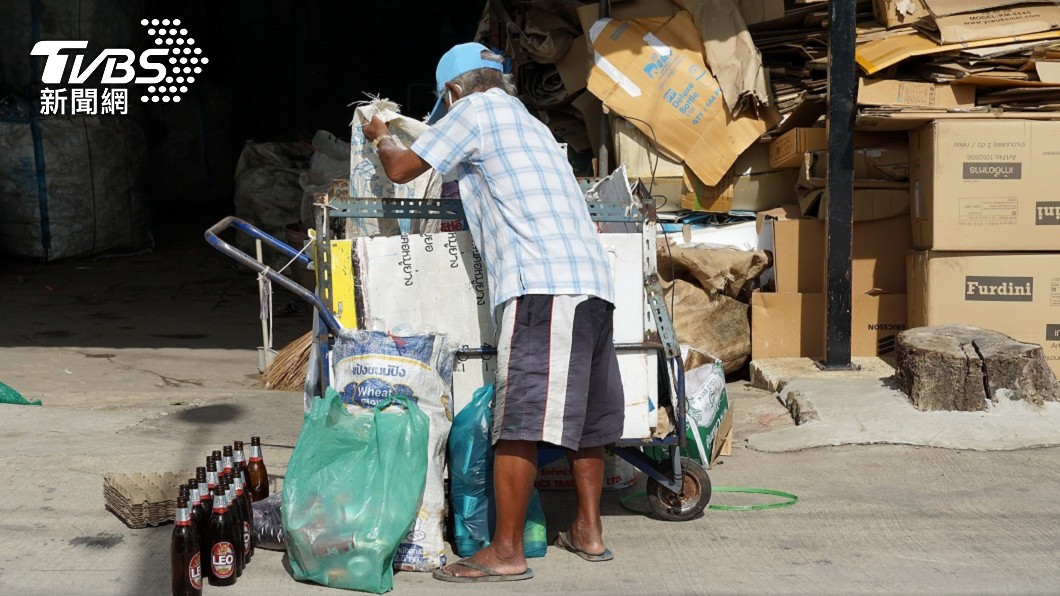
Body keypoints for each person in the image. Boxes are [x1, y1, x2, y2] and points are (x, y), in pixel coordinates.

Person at [362, 42, 625, 583]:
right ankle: (589, 532)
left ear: (454, 91)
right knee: (588, 422)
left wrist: (380, 133)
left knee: (519, 421)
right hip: (594, 285)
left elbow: (401, 170)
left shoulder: (474, 111)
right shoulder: (527, 121)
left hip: (541, 285)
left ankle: (505, 551)